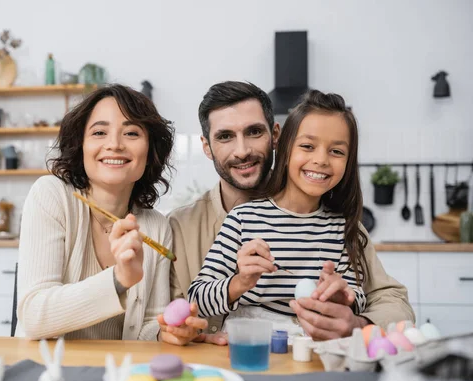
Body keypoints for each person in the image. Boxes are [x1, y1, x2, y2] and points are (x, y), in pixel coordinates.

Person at [171, 82, 414, 342]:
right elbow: (190, 302)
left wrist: (348, 307)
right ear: (206, 147)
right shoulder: (236, 220)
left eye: (254, 132)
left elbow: (369, 297)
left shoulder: (343, 228)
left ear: (276, 137)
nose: (320, 160)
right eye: (225, 136)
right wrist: (239, 282)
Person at [16, 84, 205, 344]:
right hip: (48, 372)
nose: (114, 145)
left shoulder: (156, 227)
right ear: (80, 145)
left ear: (150, 153)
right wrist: (118, 280)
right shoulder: (51, 195)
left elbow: (147, 326)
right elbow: (34, 316)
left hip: (118, 375)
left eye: (131, 133)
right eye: (99, 132)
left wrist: (167, 332)